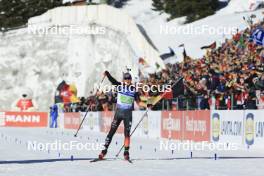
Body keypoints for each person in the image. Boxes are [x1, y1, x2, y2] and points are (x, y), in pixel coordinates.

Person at [98, 71, 140, 161]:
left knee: (127, 134)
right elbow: (113, 81)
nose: (127, 80)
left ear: (131, 80)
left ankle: (126, 153)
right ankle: (104, 151)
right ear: (123, 80)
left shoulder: (134, 90)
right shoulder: (120, 86)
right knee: (111, 132)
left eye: (129, 79)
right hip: (118, 113)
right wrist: (108, 74)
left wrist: (149, 105)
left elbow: (139, 102)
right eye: (126, 79)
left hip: (128, 114)